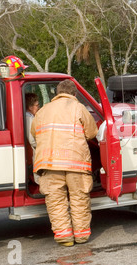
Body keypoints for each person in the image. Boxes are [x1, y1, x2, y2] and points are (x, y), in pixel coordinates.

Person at [31, 79, 98, 247]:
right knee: (79, 198)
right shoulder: (79, 108)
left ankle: (64, 237)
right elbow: (91, 133)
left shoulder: (43, 111)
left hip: (49, 163)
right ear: (74, 94)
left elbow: (34, 133)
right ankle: (81, 236)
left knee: (56, 201)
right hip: (75, 162)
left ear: (56, 93)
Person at [25, 92, 40, 183]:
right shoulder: (29, 119)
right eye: (37, 105)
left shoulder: (28, 117)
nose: (38, 107)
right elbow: (32, 140)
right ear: (30, 107)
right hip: (33, 151)